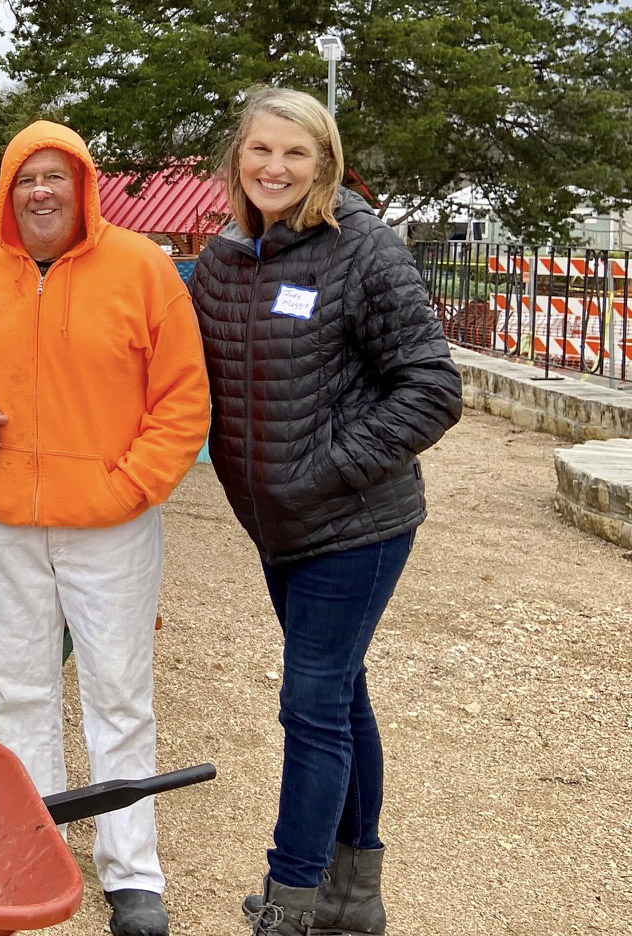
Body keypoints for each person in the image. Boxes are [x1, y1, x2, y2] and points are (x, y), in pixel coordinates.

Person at [187, 87, 461, 936]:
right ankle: (354, 896)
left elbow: (432, 387)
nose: (275, 168)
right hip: (278, 527)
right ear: (238, 158)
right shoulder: (223, 261)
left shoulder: (363, 248)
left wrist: (325, 472)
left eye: (296, 153)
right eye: (261, 150)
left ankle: (294, 897)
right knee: (340, 697)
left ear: (326, 163)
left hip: (356, 522)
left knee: (310, 704)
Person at [0, 121, 210, 936]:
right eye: (26, 178)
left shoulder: (143, 268)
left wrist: (130, 487)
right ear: (7, 192)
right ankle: (36, 849)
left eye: (56, 176)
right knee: (18, 690)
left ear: (84, 186)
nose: (41, 191)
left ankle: (132, 872)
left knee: (118, 694)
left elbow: (183, 396)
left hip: (111, 526)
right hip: (8, 523)